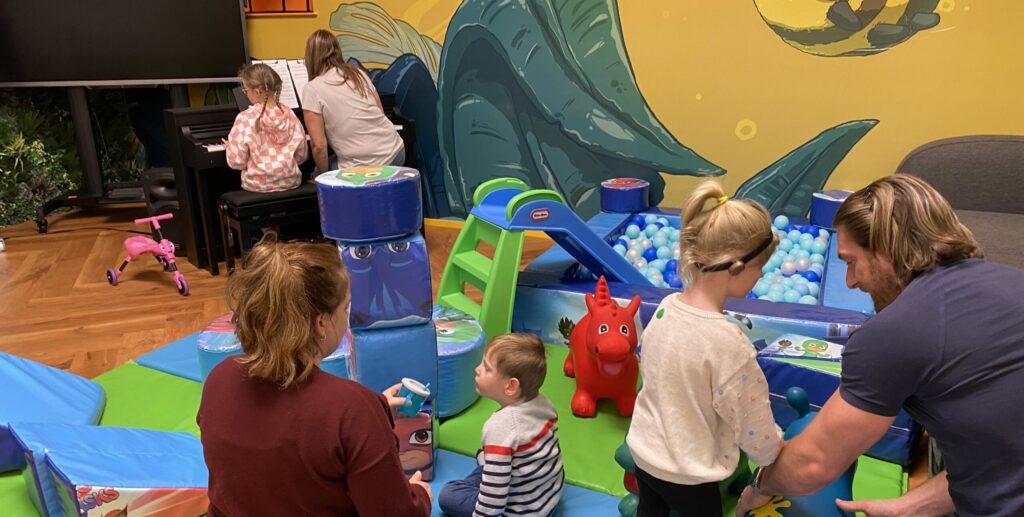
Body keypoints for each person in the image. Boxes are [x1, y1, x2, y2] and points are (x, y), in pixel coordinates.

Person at [736, 174, 1024, 517]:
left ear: (886, 253)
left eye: (851, 261)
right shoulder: (1011, 281)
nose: (851, 281)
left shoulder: (892, 333)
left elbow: (813, 465)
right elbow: (999, 461)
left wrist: (760, 486)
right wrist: (907, 507)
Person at [197, 238, 431, 516]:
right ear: (321, 322)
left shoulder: (219, 377)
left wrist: (376, 409)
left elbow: (286, 441)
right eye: (345, 308)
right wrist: (420, 496)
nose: (348, 317)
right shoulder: (353, 410)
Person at [627, 180, 783, 516]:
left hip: (644, 451)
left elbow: (654, 374)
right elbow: (752, 422)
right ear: (736, 268)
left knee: (650, 509)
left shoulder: (666, 307)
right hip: (688, 475)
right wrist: (774, 452)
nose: (759, 278)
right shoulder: (728, 343)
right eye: (760, 269)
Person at [438, 333, 565, 516]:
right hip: (547, 496)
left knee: (449, 494)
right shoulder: (543, 402)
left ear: (510, 387)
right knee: (487, 458)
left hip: (521, 511)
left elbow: (493, 500)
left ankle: (490, 465)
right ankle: (491, 464)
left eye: (487, 368)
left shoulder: (501, 428)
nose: (477, 369)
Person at [302, 29, 405, 173]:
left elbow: (319, 146)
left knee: (315, 173)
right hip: (395, 151)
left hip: (365, 165)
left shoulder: (312, 88)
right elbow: (380, 111)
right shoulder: (358, 74)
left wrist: (324, 178)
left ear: (310, 57)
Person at [224, 63, 308, 192]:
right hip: (291, 182)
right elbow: (302, 156)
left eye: (245, 90)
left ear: (257, 92)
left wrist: (230, 148)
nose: (245, 93)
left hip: (257, 186)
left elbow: (237, 162)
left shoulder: (245, 118)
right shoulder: (290, 115)